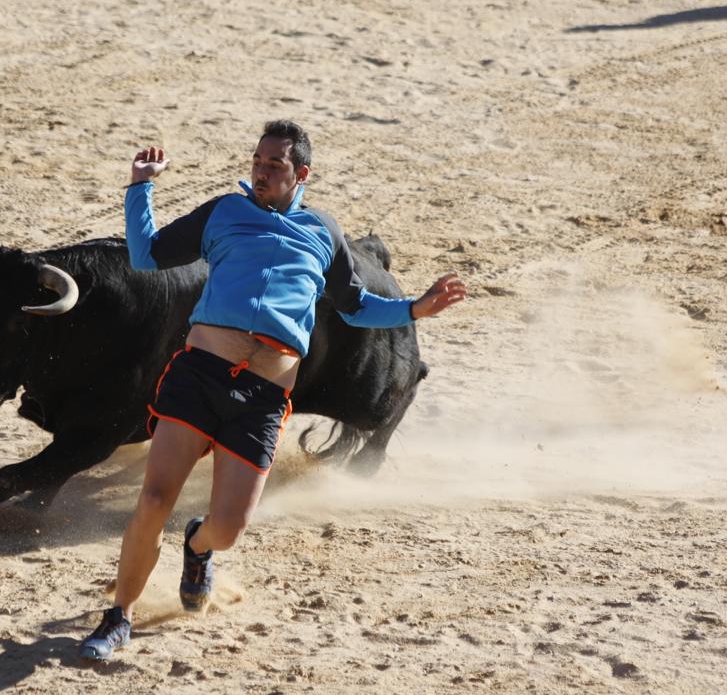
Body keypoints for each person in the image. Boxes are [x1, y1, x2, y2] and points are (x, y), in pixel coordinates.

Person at [80, 120, 466, 661]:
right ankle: (117, 617)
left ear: (300, 174)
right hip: (200, 375)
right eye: (258, 161)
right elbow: (147, 255)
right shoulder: (224, 212)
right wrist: (141, 185)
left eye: (274, 165)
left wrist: (414, 309)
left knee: (228, 529)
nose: (260, 171)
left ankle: (197, 547)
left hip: (263, 399)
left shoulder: (322, 233)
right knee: (152, 500)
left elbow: (354, 306)